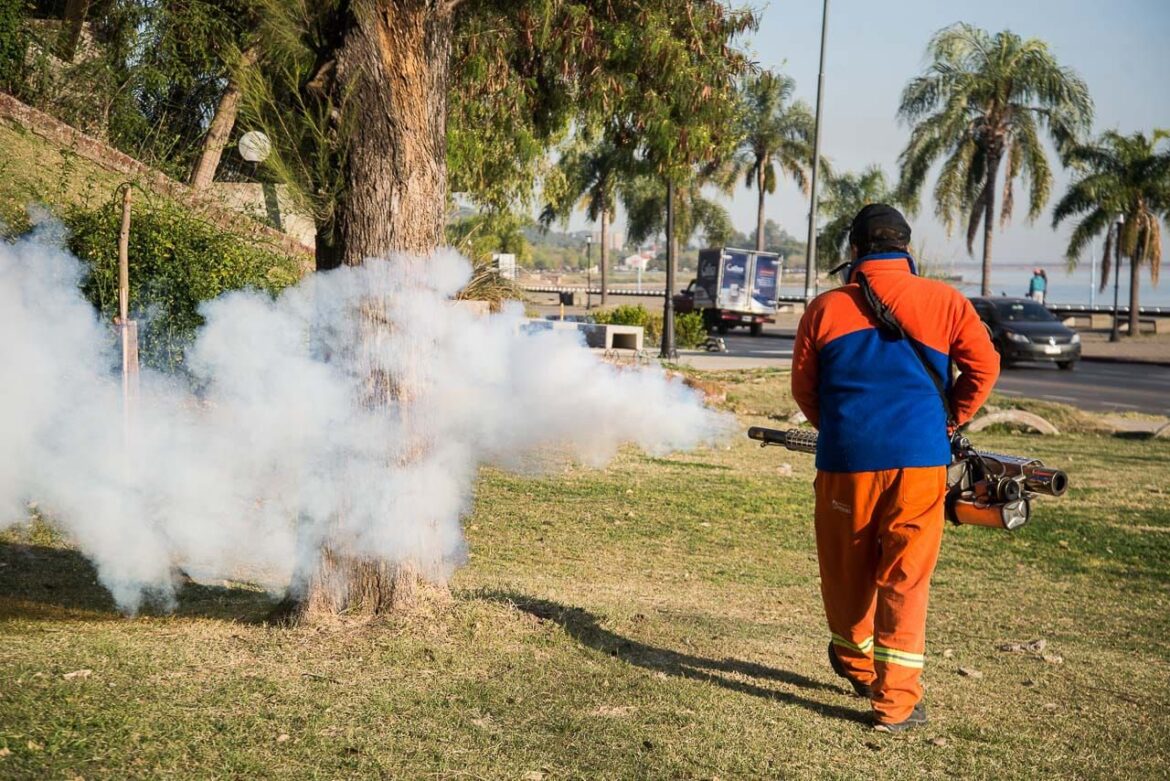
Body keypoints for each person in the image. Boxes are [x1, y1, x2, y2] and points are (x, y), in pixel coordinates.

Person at [790, 204, 1000, 732]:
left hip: (845, 464)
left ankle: (857, 663)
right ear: (907, 251)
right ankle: (896, 706)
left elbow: (803, 387)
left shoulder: (824, 307)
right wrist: (952, 418)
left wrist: (838, 427)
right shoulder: (946, 301)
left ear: (855, 252)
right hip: (920, 464)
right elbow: (985, 366)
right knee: (906, 579)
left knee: (846, 571)